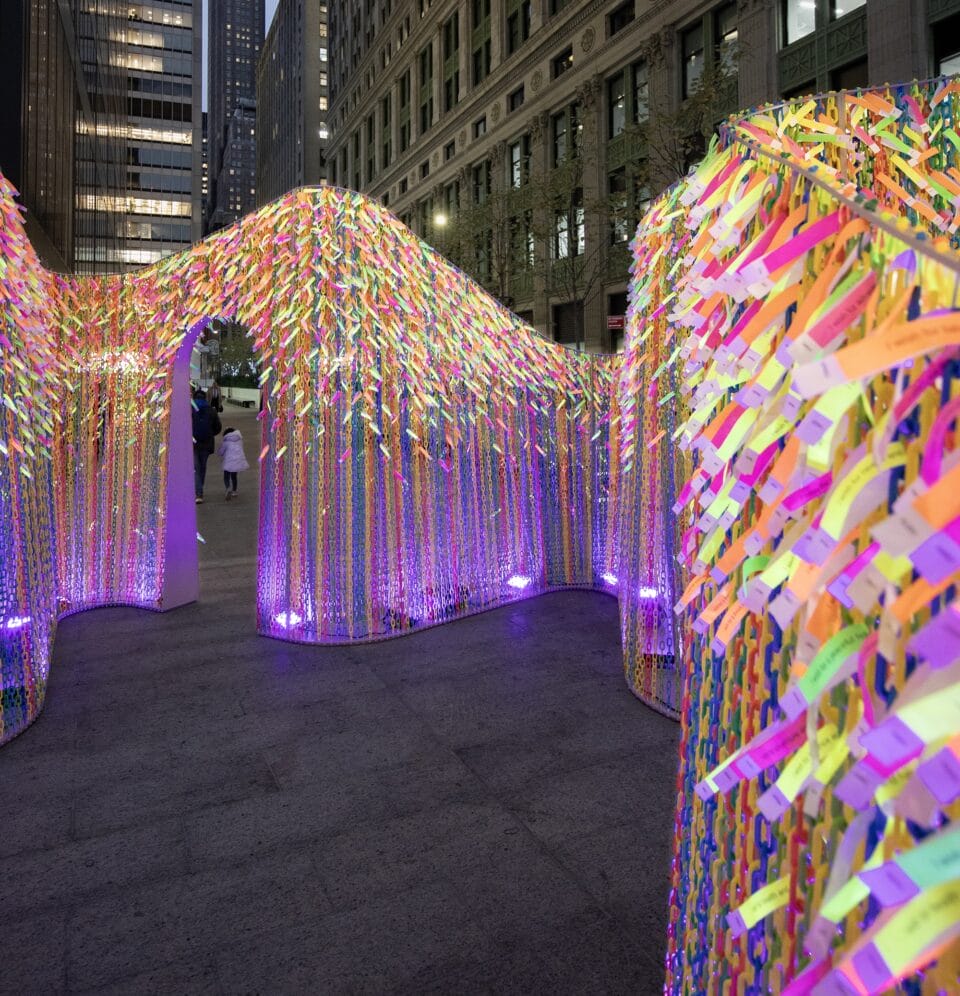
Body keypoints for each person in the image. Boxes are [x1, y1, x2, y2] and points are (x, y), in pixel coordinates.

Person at [191, 387, 221, 503]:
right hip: (207, 443)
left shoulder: (190, 409)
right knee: (202, 467)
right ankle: (199, 490)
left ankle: (199, 493)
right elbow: (218, 427)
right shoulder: (211, 410)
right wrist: (210, 434)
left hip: (193, 443)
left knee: (196, 468)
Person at [217, 425, 249, 500]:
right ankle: (234, 491)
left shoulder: (226, 441)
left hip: (228, 462)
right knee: (234, 476)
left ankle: (228, 488)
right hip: (237, 461)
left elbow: (221, 451)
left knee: (226, 476)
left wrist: (219, 453)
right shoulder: (239, 440)